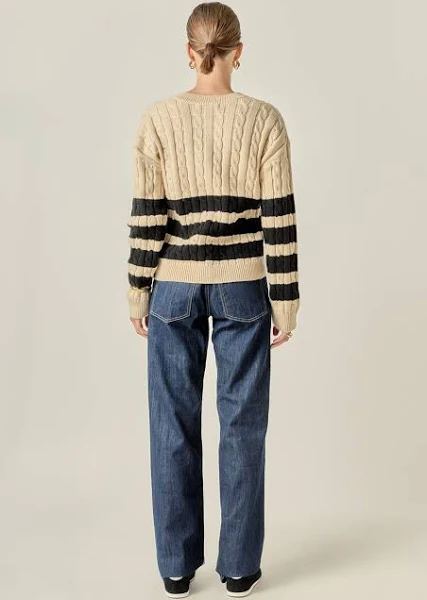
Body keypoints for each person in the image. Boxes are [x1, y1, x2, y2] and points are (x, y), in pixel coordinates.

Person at [126, 2, 300, 597]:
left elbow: (147, 216)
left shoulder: (158, 119)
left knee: (170, 425)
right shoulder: (265, 120)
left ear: (189, 51)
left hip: (173, 285)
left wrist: (137, 290)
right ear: (238, 52)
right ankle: (240, 568)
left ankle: (176, 567)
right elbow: (279, 221)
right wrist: (286, 301)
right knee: (243, 425)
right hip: (244, 286)